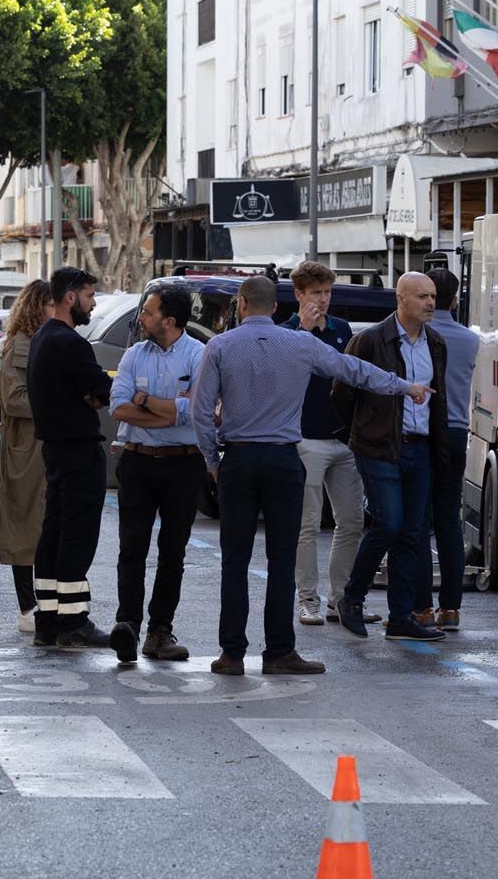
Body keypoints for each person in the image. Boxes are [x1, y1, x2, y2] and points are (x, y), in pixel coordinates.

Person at [192, 275, 422, 676]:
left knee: (235, 560)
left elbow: (199, 411)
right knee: (281, 559)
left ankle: (231, 653)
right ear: (276, 307)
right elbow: (355, 371)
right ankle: (279, 651)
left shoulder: (220, 346)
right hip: (283, 459)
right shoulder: (300, 344)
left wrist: (212, 460)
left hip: (239, 460)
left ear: (242, 304)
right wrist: (406, 387)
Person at [333, 272, 451, 643]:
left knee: (412, 533)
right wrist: (363, 429)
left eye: (433, 296)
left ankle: (401, 617)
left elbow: (439, 399)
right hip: (379, 445)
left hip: (420, 446)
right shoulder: (370, 340)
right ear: (400, 299)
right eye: (422, 297)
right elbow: (342, 390)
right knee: (389, 522)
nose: (430, 303)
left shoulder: (435, 342)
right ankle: (351, 598)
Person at [26, 265, 135, 660]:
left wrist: (91, 393)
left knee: (53, 532)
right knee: (77, 534)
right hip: (77, 449)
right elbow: (103, 389)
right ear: (70, 296)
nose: (92, 304)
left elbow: (89, 390)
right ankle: (73, 624)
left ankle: (49, 622)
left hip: (56, 449)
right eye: (89, 296)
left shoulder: (42, 338)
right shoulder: (69, 342)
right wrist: (97, 394)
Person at [109, 286, 206, 662]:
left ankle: (159, 631)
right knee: (131, 547)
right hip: (137, 461)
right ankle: (127, 628)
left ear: (169, 321)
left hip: (183, 463)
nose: (140, 318)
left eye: (147, 312)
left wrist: (145, 401)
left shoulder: (199, 355)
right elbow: (119, 407)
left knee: (172, 552)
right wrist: (168, 409)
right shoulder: (134, 354)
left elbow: (193, 411)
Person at [285, 261, 377, 632]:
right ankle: (307, 600)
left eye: (326, 293)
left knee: (352, 521)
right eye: (315, 294)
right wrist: (305, 330)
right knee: (307, 524)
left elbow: (353, 375)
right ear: (299, 295)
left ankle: (341, 597)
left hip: (342, 439)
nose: (322, 300)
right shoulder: (286, 332)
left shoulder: (340, 329)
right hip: (305, 438)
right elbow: (286, 375)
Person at [417, 267, 480, 632]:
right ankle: (451, 608)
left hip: (423, 431)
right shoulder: (469, 339)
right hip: (456, 432)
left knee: (418, 520)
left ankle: (422, 606)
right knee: (448, 521)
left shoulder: (419, 335)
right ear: (456, 299)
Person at [0, 280, 53, 632]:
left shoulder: (42, 344)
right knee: (24, 526)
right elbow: (14, 399)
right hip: (27, 448)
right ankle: (28, 607)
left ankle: (43, 603)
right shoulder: (21, 345)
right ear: (36, 308)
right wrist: (59, 403)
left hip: (43, 445)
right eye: (48, 305)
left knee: (44, 525)